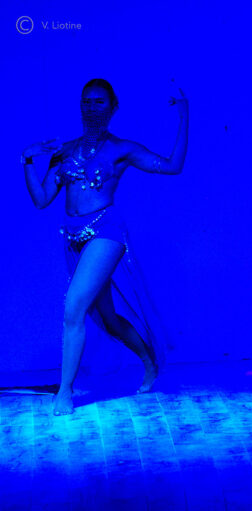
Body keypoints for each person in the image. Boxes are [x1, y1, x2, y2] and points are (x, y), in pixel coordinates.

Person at [22, 78, 189, 414]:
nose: (92, 107)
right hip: (73, 238)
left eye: (99, 102)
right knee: (108, 319)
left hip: (106, 231)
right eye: (86, 101)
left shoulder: (122, 149)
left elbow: (173, 166)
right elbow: (41, 200)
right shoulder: (64, 151)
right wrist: (26, 160)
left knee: (73, 307)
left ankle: (65, 392)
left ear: (114, 107)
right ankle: (148, 361)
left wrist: (184, 115)